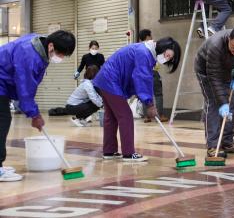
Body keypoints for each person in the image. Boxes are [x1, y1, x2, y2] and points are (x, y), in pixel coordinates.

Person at [0, 30, 76, 182]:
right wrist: (34, 114)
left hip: (4, 84)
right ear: (51, 46)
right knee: (2, 121)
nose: (60, 58)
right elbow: (25, 87)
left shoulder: (41, 44)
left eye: (63, 56)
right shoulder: (29, 55)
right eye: (60, 54)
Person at [93, 37, 181, 162]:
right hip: (111, 81)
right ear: (162, 47)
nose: (166, 59)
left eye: (169, 59)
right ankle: (129, 153)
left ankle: (109, 151)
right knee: (126, 115)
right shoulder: (144, 53)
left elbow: (140, 77)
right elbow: (142, 77)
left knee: (111, 117)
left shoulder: (146, 51)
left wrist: (143, 97)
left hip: (105, 79)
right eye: (167, 55)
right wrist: (149, 104)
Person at [194, 27, 234, 157]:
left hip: (226, 70)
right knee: (214, 104)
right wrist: (222, 102)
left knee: (230, 103)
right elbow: (213, 76)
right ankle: (213, 145)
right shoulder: (216, 45)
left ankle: (227, 141)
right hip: (206, 71)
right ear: (229, 40)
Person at [139, 29, 168, 123]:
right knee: (158, 93)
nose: (151, 37)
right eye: (150, 36)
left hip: (142, 73)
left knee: (145, 94)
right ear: (147, 36)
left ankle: (147, 116)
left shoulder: (138, 47)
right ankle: (161, 115)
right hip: (153, 71)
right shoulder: (152, 44)